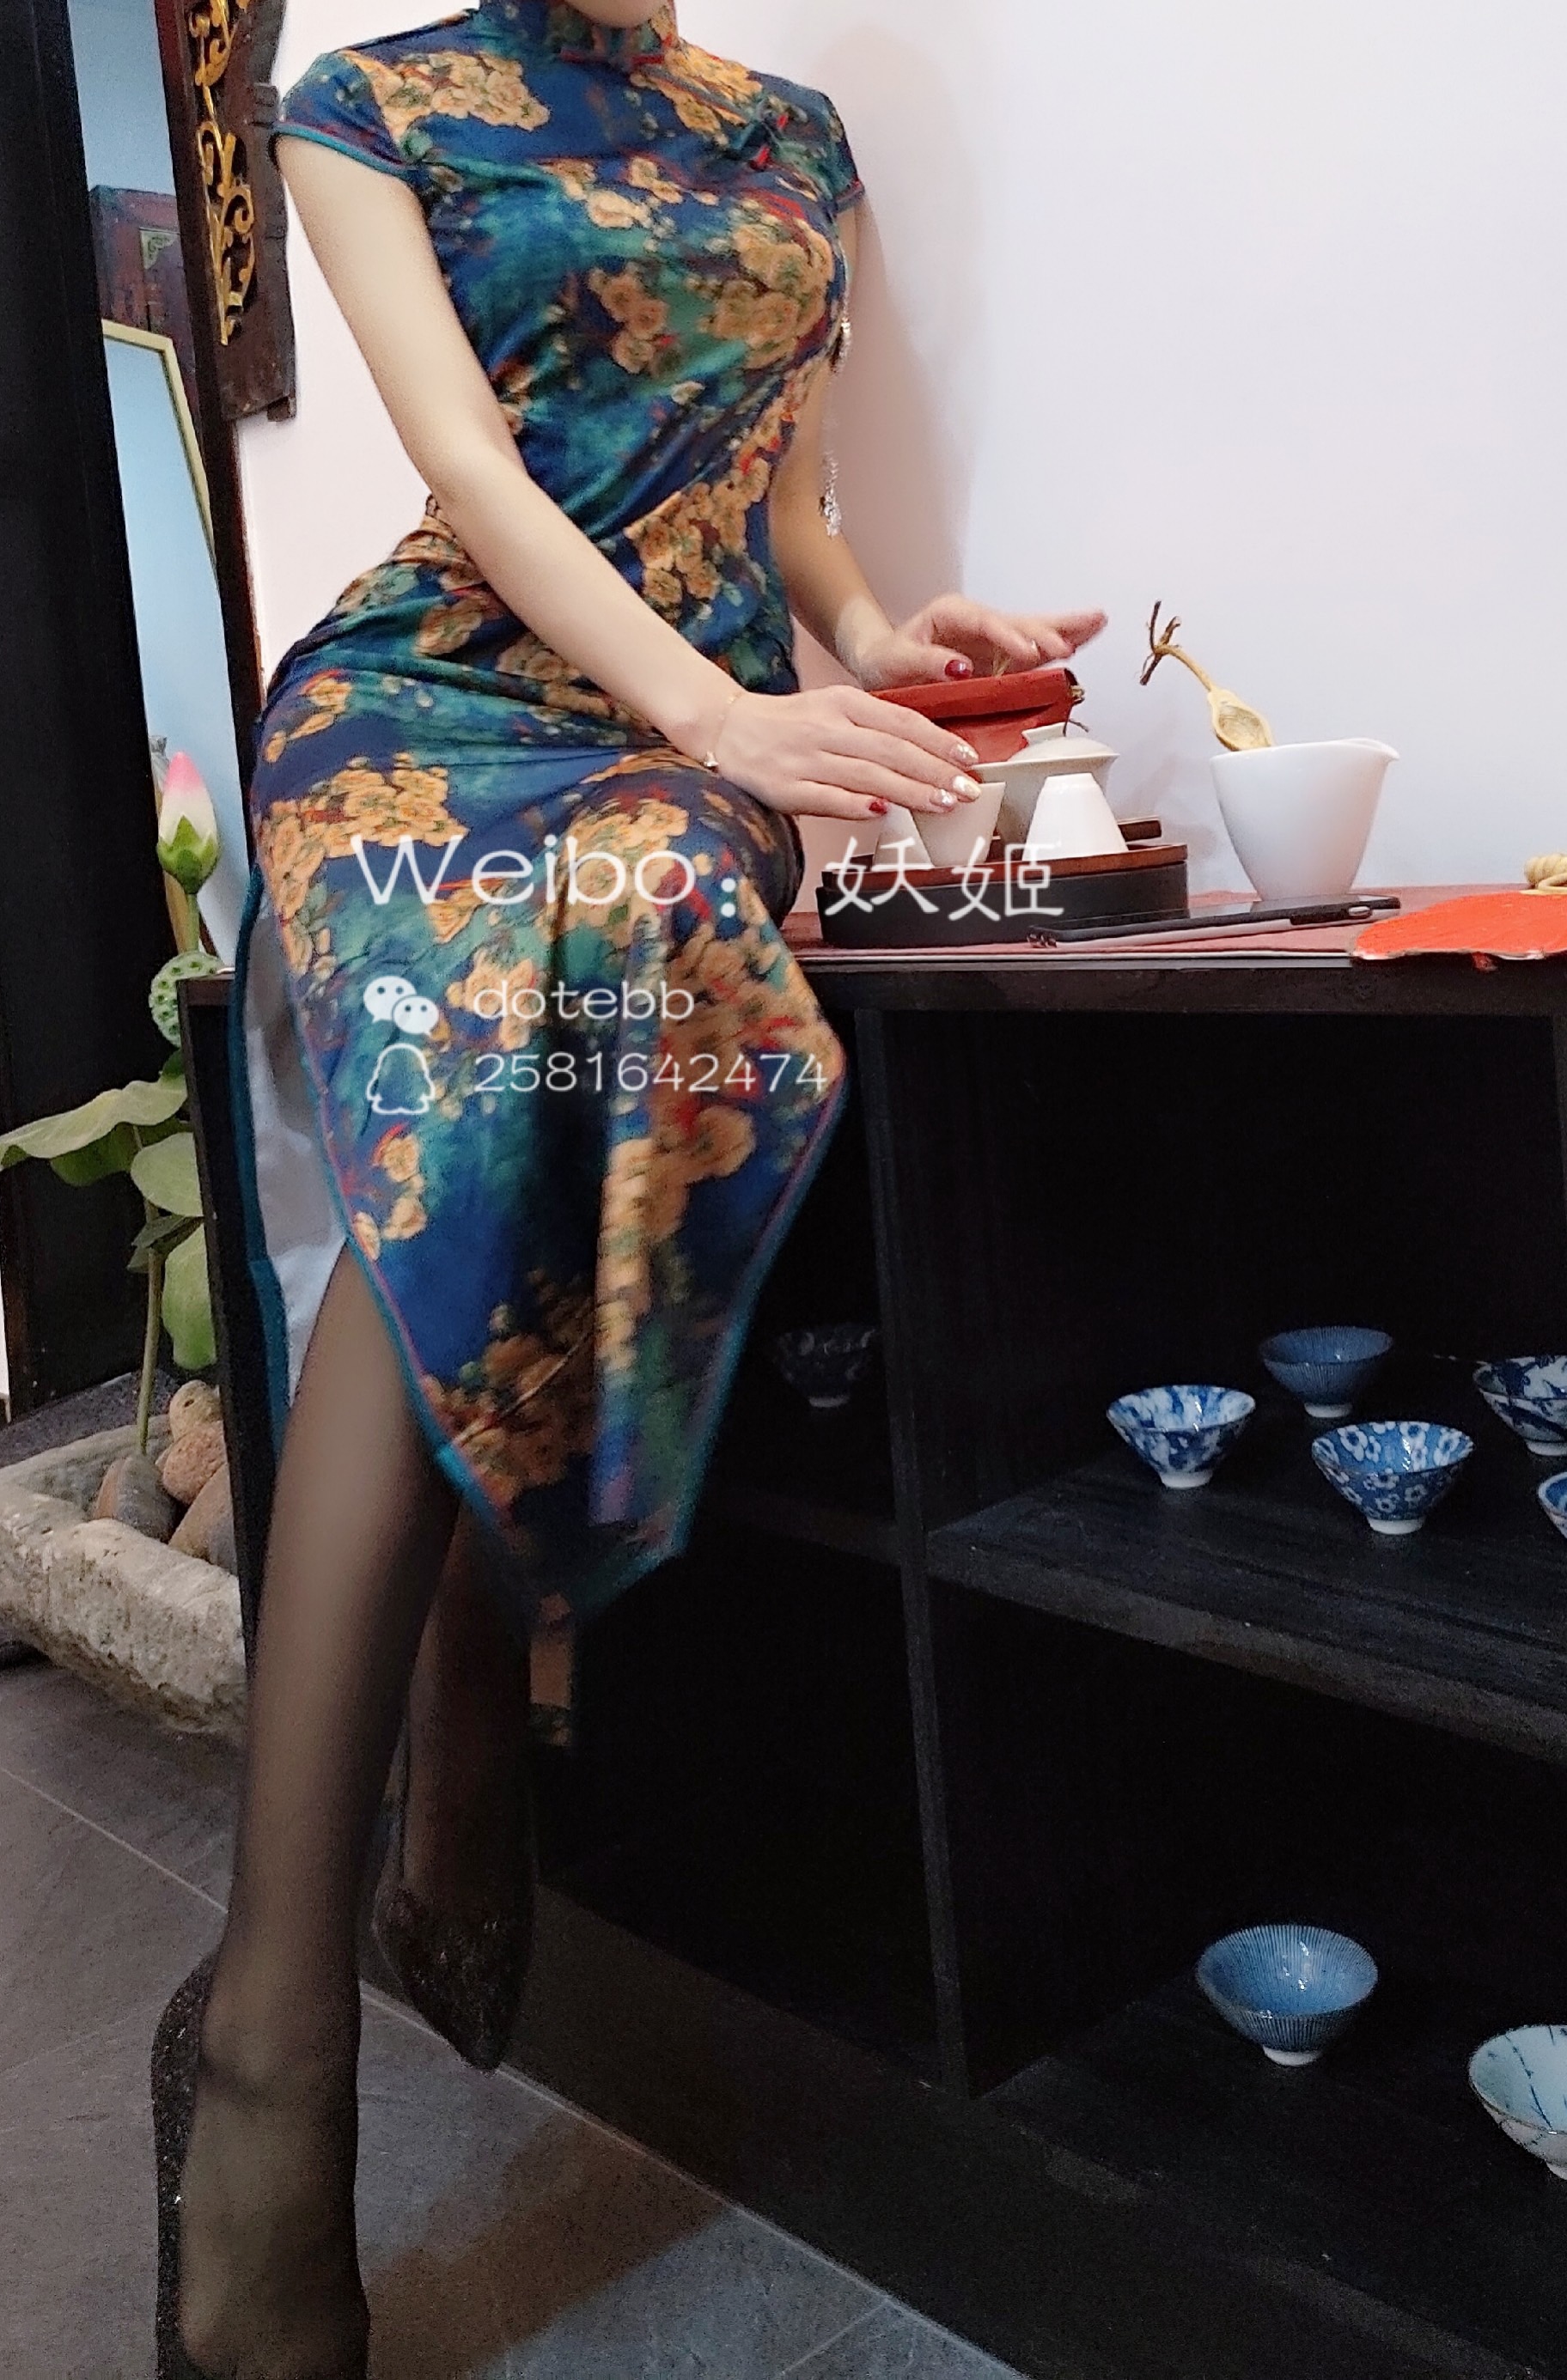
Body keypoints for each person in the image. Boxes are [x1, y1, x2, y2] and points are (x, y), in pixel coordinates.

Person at [150, 5, 1104, 2373]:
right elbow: (470, 471)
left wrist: (888, 640)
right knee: (493, 1035)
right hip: (427, 711)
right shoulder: (365, 107)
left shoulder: (790, 137)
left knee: (650, 904)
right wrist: (719, 710)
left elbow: (785, 515)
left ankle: (478, 1679)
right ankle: (274, 2033)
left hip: (680, 755)